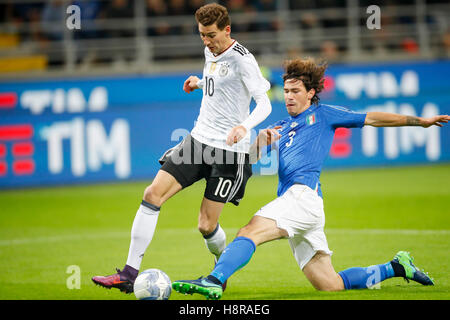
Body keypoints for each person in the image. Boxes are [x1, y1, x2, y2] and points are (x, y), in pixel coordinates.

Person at [172, 58, 449, 300]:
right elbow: (251, 159)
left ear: (311, 93)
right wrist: (258, 143)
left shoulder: (324, 114)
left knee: (249, 232)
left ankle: (214, 280)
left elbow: (373, 118)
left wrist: (419, 121)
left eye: (295, 91)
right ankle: (397, 267)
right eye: (287, 91)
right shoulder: (280, 125)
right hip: (302, 205)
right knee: (330, 285)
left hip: (302, 197)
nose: (289, 96)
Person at [92, 3, 272, 293]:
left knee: (206, 224)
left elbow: (265, 102)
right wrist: (199, 83)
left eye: (211, 35)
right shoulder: (209, 51)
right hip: (198, 141)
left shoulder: (243, 60)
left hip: (229, 152)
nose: (206, 41)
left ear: (227, 30)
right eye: (201, 34)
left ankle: (219, 274)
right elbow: (221, 86)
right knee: (152, 194)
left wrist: (245, 126)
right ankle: (128, 273)